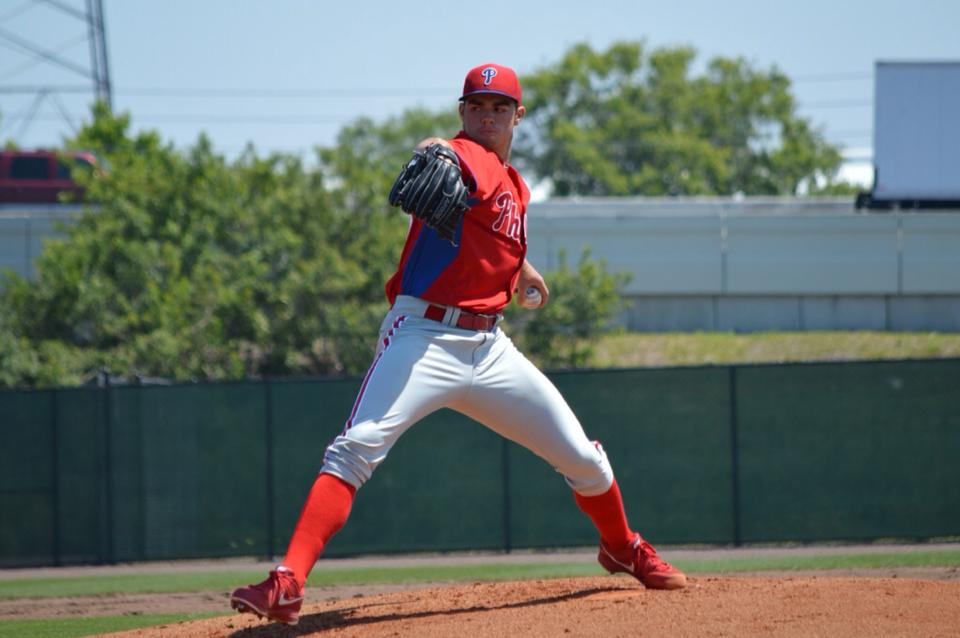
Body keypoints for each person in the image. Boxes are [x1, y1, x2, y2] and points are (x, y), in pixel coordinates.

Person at [230, 62, 686, 626]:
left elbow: (487, 236)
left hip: (489, 348)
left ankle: (621, 547)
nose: (488, 116)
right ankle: (288, 582)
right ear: (463, 113)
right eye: (477, 106)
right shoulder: (465, 154)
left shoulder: (515, 185)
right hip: (422, 336)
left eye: (500, 107)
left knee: (584, 458)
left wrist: (522, 270)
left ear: (518, 115)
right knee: (356, 447)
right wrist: (437, 149)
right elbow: (438, 150)